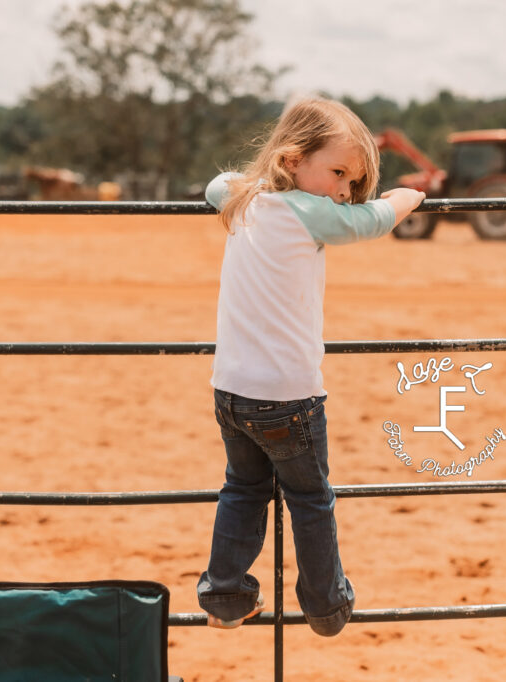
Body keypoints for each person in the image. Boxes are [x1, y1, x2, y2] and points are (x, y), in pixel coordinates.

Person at [197, 96, 425, 637]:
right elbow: (369, 222)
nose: (345, 192)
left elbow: (216, 184)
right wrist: (404, 198)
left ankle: (226, 597)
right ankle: (325, 607)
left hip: (230, 390)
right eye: (339, 173)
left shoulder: (245, 198)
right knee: (310, 499)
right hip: (289, 396)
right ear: (293, 160)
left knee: (243, 490)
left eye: (354, 182)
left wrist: (258, 177)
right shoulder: (311, 211)